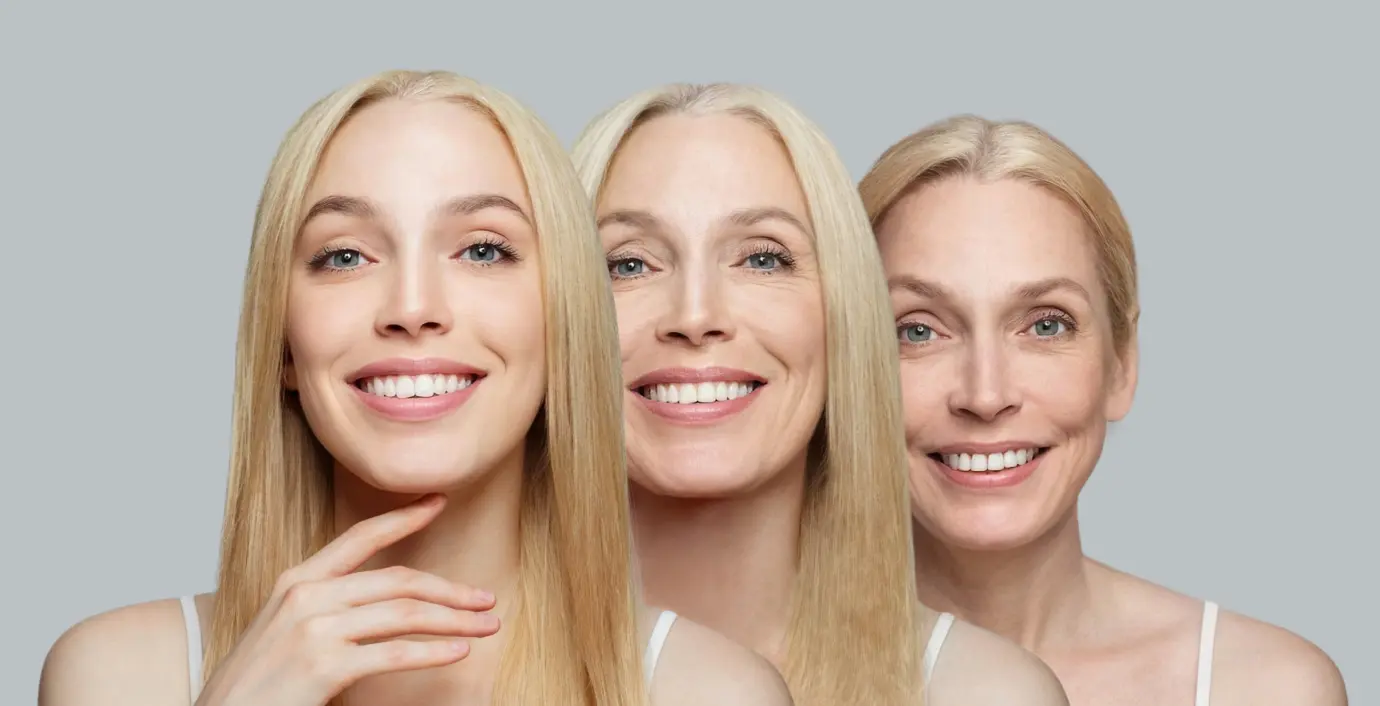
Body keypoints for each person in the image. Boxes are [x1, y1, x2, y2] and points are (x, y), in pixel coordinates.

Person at [38, 70, 792, 706]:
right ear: (283, 345)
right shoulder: (119, 676)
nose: (411, 308)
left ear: (565, 325)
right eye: (343, 256)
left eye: (483, 249)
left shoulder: (709, 691)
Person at [571, 83, 1070, 706]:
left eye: (761, 260)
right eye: (628, 264)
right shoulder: (438, 671)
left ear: (846, 314)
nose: (695, 316)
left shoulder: (982, 693)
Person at [859, 114, 1349, 706]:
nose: (985, 396)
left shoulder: (1263, 688)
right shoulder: (750, 679)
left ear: (1121, 363)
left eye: (1045, 324)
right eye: (917, 331)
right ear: (852, 370)